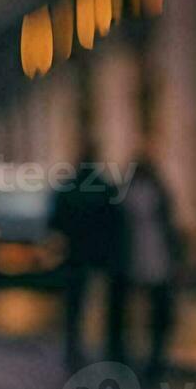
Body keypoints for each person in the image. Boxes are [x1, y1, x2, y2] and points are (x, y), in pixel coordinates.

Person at [50, 143, 127, 370]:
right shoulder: (103, 187)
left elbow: (55, 220)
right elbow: (116, 220)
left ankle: (73, 348)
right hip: (100, 253)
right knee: (107, 303)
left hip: (76, 253)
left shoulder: (70, 187)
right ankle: (112, 349)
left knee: (75, 304)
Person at [121, 155, 181, 378]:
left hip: (150, 259)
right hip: (146, 258)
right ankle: (149, 357)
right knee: (148, 313)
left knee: (152, 312)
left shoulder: (131, 194)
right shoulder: (153, 193)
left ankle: (151, 357)